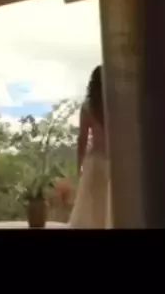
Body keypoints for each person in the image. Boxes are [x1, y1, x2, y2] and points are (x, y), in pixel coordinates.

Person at [68, 65, 112, 228]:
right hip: (114, 161)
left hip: (95, 162)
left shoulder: (88, 106)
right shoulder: (116, 105)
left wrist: (79, 165)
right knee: (110, 205)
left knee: (91, 208)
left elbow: (82, 138)